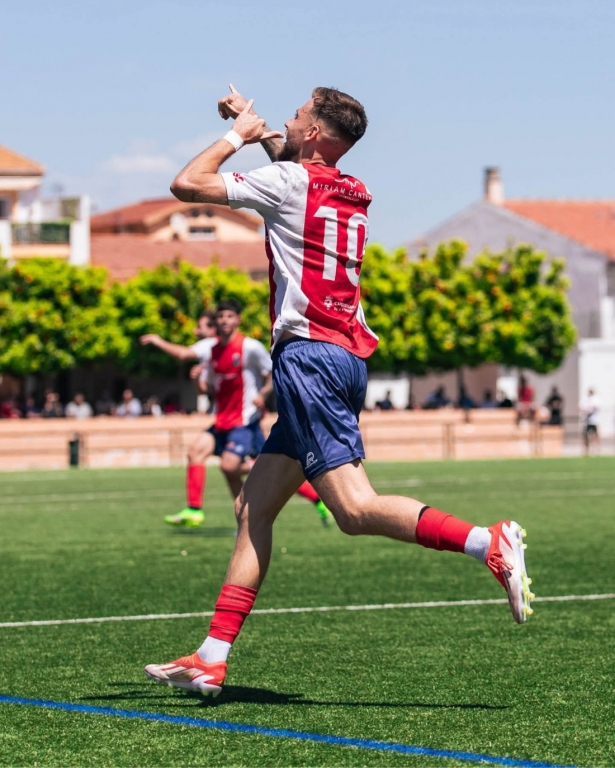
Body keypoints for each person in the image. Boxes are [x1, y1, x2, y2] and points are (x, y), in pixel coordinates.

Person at [144, 84, 533, 697]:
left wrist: (234, 137)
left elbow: (187, 185)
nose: (288, 120)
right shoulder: (352, 189)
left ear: (318, 135)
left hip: (310, 358)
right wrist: (260, 125)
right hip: (343, 356)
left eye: (298, 115)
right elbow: (294, 165)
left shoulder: (290, 183)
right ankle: (212, 656)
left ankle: (488, 541)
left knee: (352, 509)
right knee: (254, 506)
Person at [142, 302, 330, 526]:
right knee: (196, 452)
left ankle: (310, 495)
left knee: (232, 467)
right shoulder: (211, 349)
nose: (224, 321)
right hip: (222, 422)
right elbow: (205, 388)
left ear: (238, 320)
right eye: (221, 317)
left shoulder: (250, 347)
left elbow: (272, 373)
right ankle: (197, 511)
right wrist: (195, 380)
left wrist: (263, 394)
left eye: (230, 316)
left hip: (244, 423)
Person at [579, 388, 600, 455]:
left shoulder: (596, 399)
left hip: (594, 420)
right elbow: (580, 407)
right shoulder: (585, 399)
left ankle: (597, 449)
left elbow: (595, 407)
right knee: (585, 435)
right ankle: (586, 449)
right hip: (586, 421)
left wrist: (589, 409)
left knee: (595, 435)